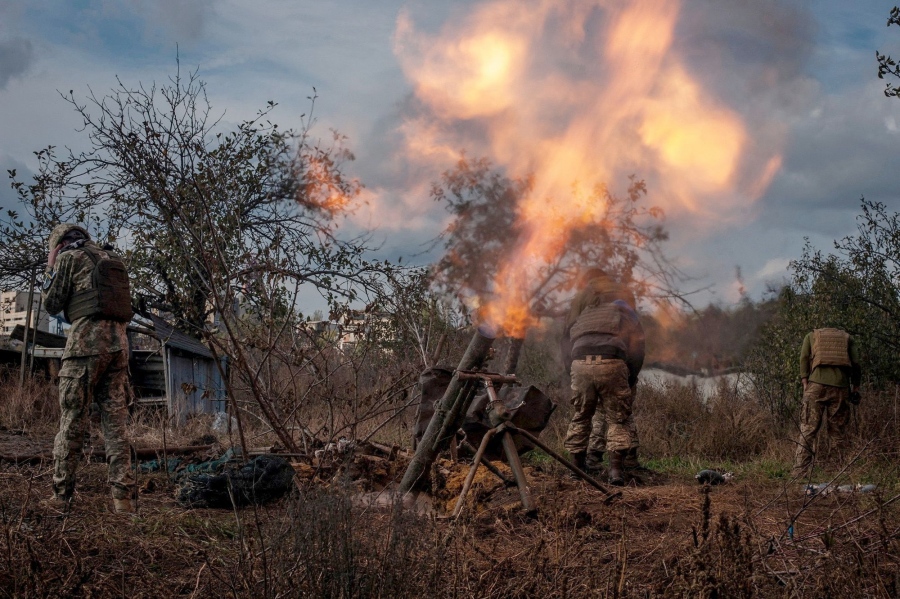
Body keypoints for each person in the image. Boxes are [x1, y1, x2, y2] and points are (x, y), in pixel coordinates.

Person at [41, 223, 136, 513]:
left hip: (84, 348)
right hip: (119, 346)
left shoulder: (69, 258)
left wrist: (51, 266)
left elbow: (51, 304)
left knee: (72, 420)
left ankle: (61, 496)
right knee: (115, 424)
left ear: (58, 243)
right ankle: (123, 501)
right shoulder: (111, 259)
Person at [563, 268, 640, 486]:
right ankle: (615, 472)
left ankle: (576, 470)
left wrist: (570, 367)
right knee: (617, 418)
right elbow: (638, 342)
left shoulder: (582, 306)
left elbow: (565, 338)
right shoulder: (623, 303)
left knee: (581, 415)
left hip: (579, 361)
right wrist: (631, 375)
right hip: (613, 360)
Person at [792, 326, 861, 478]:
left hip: (815, 386)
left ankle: (799, 473)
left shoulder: (811, 336)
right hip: (841, 388)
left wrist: (805, 382)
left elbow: (803, 358)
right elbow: (856, 364)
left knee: (808, 430)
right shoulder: (848, 338)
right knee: (837, 432)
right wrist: (855, 387)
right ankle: (836, 473)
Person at [585, 300, 645, 473]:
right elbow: (638, 351)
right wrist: (631, 378)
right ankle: (628, 460)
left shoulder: (594, 317)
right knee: (622, 415)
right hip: (619, 370)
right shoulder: (629, 317)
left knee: (599, 413)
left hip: (588, 369)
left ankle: (593, 458)